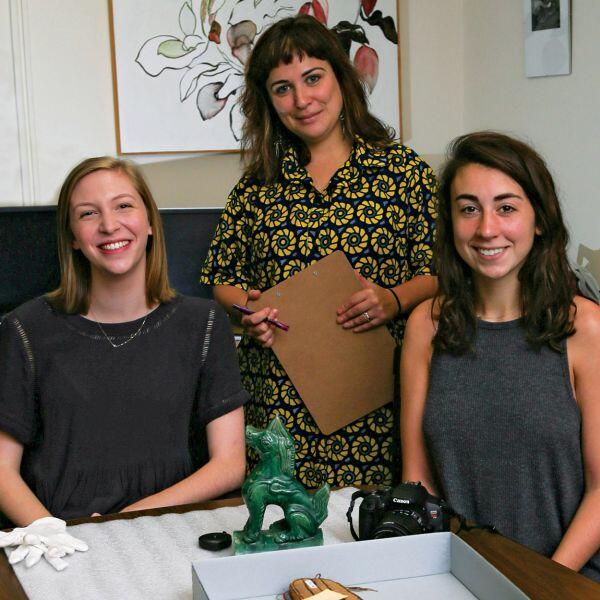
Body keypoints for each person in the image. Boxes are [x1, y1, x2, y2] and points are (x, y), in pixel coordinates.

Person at [200, 15, 437, 489]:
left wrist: (394, 297)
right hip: (279, 406)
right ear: (267, 101)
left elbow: (443, 270)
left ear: (340, 78)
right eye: (282, 88)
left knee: (371, 542)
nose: (302, 100)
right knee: (285, 536)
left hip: (377, 404)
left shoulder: (403, 172)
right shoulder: (257, 186)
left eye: (313, 78)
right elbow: (222, 278)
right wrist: (252, 310)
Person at [0, 157, 247, 528]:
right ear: (71, 236)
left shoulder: (205, 323)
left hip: (171, 528)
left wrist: (126, 521)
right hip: (58, 537)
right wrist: (58, 537)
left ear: (149, 222)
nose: (109, 225)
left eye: (124, 206)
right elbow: (2, 472)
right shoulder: (25, 329)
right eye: (88, 214)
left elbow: (229, 465)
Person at [400, 131, 600, 580]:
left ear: (540, 219)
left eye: (506, 207)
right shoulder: (425, 327)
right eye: (468, 209)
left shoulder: (586, 329)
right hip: (460, 580)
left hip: (568, 581)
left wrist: (542, 583)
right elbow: (418, 484)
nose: (487, 228)